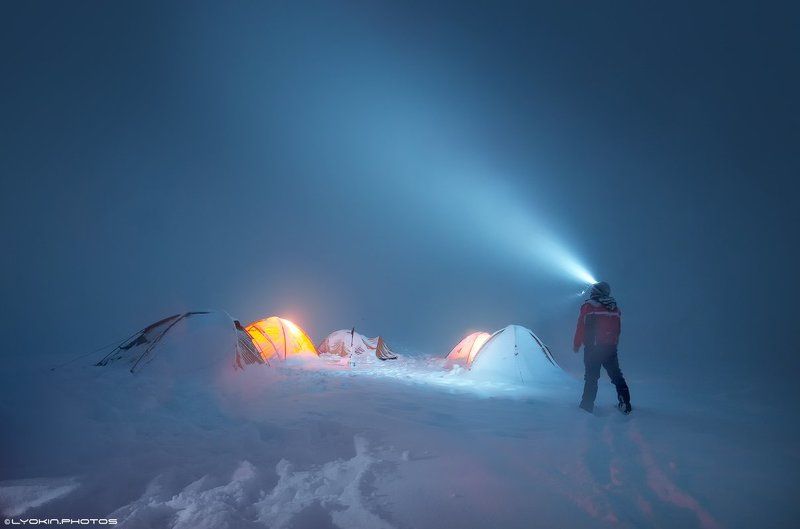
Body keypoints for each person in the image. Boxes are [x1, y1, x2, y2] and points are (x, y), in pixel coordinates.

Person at [573, 281, 631, 414]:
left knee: (591, 377)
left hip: (593, 349)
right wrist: (613, 343)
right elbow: (618, 329)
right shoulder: (614, 308)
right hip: (610, 348)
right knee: (616, 376)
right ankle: (625, 404)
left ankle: (586, 406)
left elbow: (581, 326)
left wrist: (577, 344)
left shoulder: (588, 306)